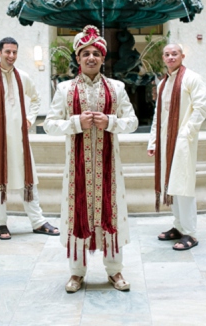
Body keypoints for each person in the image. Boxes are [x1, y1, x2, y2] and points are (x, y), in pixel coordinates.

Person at [44, 25, 138, 293]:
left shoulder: (117, 88)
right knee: (77, 215)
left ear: (103, 57)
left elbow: (132, 122)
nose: (91, 58)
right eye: (85, 53)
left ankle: (115, 270)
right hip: (77, 170)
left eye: (96, 53)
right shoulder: (65, 90)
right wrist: (75, 123)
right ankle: (76, 273)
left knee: (111, 212)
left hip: (109, 168)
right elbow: (50, 125)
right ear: (78, 58)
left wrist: (110, 121)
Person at [0, 37, 59, 240]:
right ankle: (1, 224)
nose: (11, 56)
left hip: (19, 139)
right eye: (7, 52)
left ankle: (38, 221)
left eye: (14, 52)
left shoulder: (23, 77)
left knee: (28, 180)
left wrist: (29, 118)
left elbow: (36, 98)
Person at [147, 44, 206, 251]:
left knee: (183, 186)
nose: (171, 57)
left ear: (183, 55)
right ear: (163, 58)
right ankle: (179, 226)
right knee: (171, 185)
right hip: (166, 141)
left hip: (183, 141)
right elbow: (159, 114)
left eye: (175, 53)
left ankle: (190, 233)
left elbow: (201, 108)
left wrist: (186, 133)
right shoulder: (164, 82)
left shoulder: (192, 78)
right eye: (167, 54)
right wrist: (153, 141)